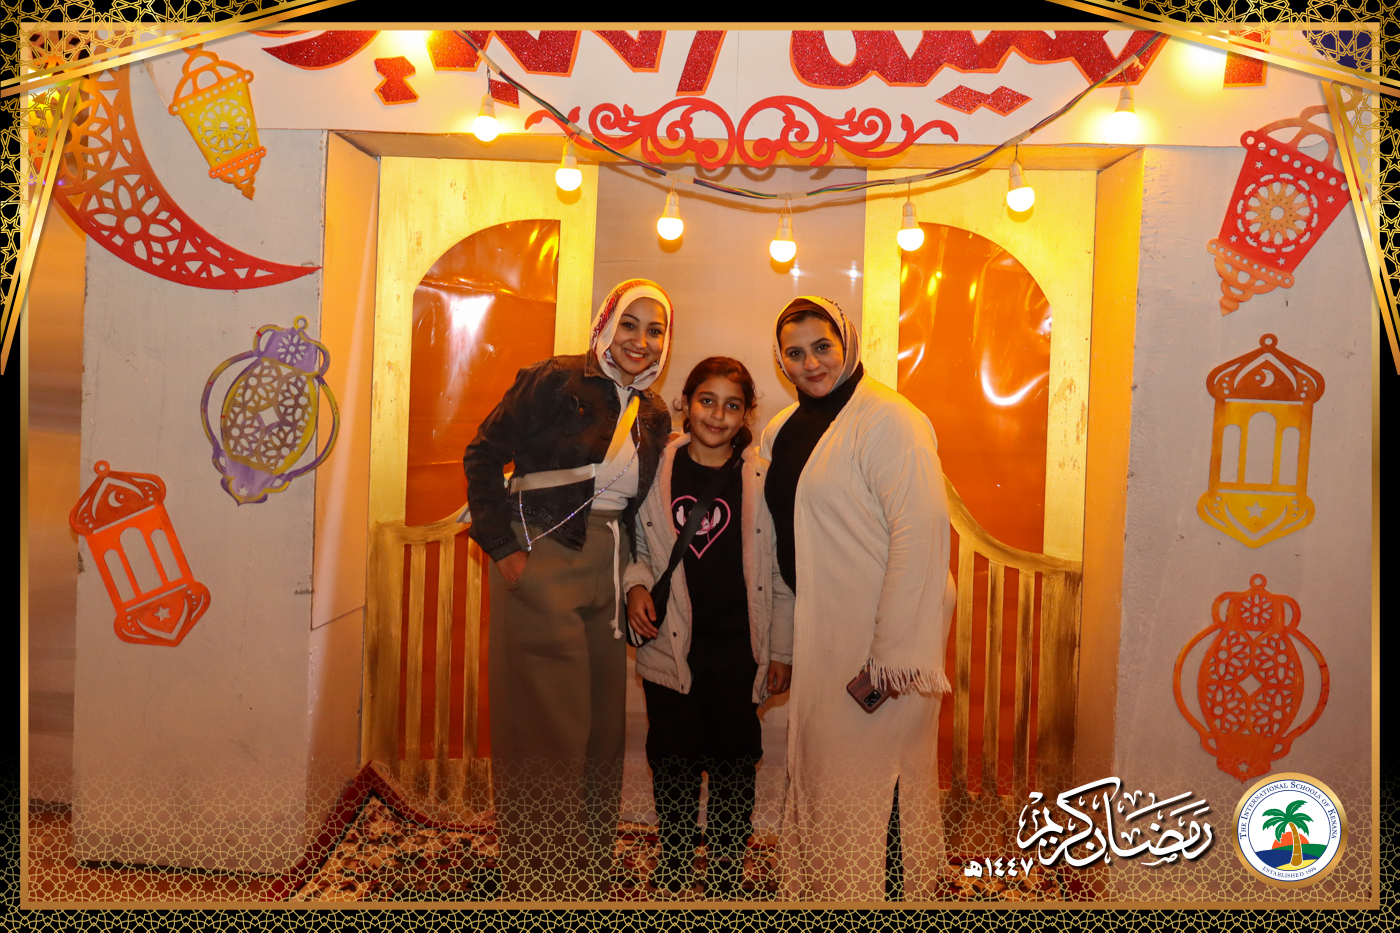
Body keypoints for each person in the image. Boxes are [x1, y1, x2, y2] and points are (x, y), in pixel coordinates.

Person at [463, 279, 676, 900]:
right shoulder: (554, 379)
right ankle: (541, 880)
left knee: (601, 727)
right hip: (540, 556)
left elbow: (639, 511)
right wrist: (504, 551)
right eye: (629, 323)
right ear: (606, 323)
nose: (640, 340)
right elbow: (482, 455)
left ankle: (586, 870)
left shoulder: (655, 413)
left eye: (655, 329)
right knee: (547, 725)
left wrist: (634, 580)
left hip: (609, 568)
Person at [761, 296, 957, 902]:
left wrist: (891, 658)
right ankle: (830, 893)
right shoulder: (781, 430)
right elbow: (785, 543)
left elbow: (922, 538)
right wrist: (784, 645)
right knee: (826, 778)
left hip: (883, 645)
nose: (811, 363)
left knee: (880, 784)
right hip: (822, 637)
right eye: (795, 352)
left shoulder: (891, 420)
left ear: (846, 343)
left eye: (823, 346)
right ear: (781, 362)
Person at [621, 357, 794, 899]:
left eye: (732, 405)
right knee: (672, 759)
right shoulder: (654, 469)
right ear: (686, 403)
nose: (718, 415)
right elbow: (638, 546)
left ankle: (724, 869)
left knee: (734, 763)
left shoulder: (762, 480)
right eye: (707, 401)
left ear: (746, 414)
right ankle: (674, 863)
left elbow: (779, 575)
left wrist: (782, 651)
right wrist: (635, 587)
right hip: (670, 644)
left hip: (741, 651)